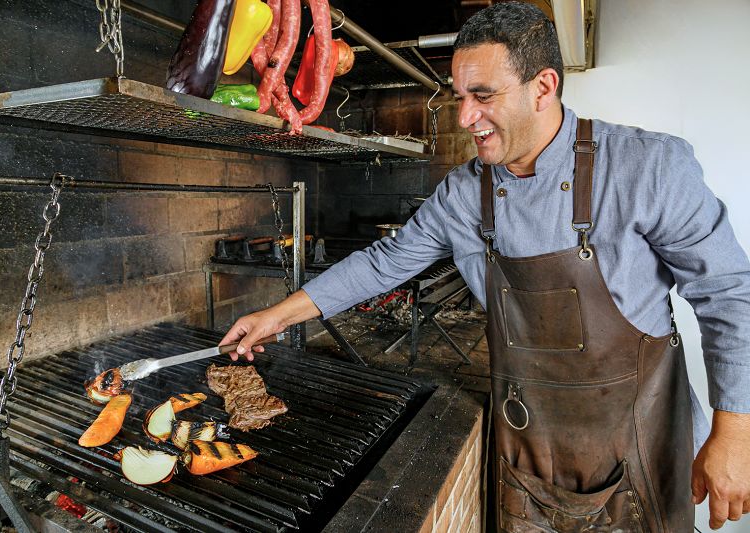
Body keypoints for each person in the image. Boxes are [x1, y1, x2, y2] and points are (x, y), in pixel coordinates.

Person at [220, 2, 750, 530]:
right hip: (526, 450)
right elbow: (385, 264)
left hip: (641, 446)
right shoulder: (464, 194)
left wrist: (736, 433)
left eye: (483, 96)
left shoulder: (647, 167)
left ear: (543, 87)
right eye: (459, 97)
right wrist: (278, 315)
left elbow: (729, 292)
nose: (465, 118)